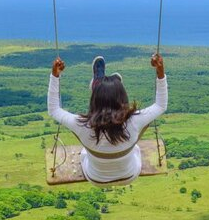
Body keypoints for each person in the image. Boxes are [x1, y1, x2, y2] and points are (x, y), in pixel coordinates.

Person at [48, 53, 167, 186]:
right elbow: (160, 105)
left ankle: (99, 85)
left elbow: (54, 110)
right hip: (130, 176)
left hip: (96, 179)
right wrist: (160, 72)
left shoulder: (82, 125)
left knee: (84, 152)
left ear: (94, 100)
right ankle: (104, 85)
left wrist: (55, 75)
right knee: (135, 149)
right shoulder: (134, 121)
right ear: (122, 100)